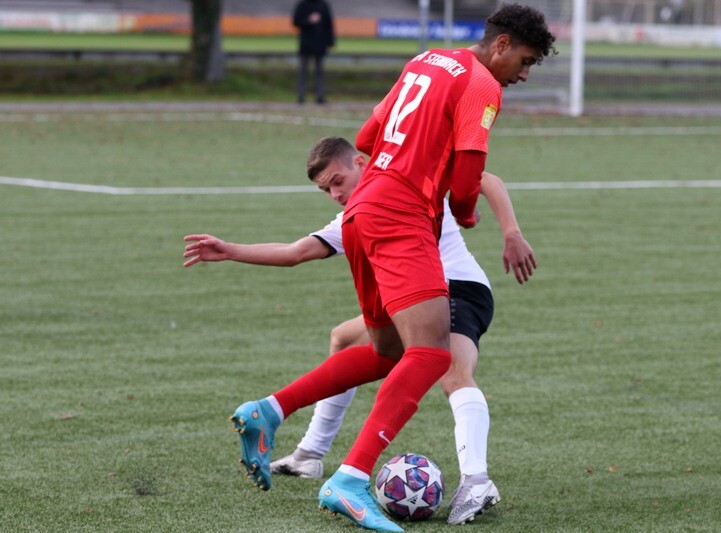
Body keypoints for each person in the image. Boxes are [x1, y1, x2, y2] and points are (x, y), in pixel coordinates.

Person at [225, 5, 555, 531]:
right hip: (401, 215)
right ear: (501, 44)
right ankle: (351, 477)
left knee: (387, 352)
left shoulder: (425, 60)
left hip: (361, 214)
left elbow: (366, 135)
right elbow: (468, 177)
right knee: (431, 354)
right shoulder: (481, 85)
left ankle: (269, 411)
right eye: (526, 60)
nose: (524, 74)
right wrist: (464, 212)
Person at [184, 137, 537, 525]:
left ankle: (476, 480)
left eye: (337, 181)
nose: (335, 194)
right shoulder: (356, 215)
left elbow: (486, 180)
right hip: (415, 299)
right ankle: (309, 454)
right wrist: (229, 250)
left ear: (360, 162)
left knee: (452, 371)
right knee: (346, 338)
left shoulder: (407, 177)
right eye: (326, 190)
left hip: (458, 287)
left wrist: (511, 233)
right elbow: (295, 252)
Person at [292, 0, 335, 104]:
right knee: (303, 71)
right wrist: (308, 20)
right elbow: (296, 21)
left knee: (319, 72)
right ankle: (301, 96)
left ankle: (320, 96)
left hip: (320, 44)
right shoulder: (302, 5)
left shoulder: (323, 5)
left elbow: (329, 24)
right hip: (306, 44)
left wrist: (330, 42)